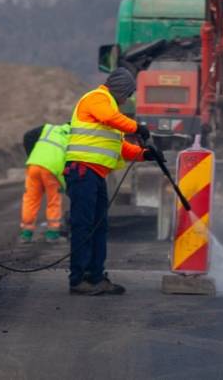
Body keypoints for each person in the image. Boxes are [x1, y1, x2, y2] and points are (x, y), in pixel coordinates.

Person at [64, 67, 157, 296]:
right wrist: (137, 127)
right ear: (120, 90)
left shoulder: (111, 109)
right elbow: (110, 118)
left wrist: (145, 154)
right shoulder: (97, 98)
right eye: (128, 93)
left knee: (99, 227)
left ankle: (96, 276)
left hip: (96, 175)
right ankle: (79, 279)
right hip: (83, 172)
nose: (128, 99)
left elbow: (119, 148)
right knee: (83, 225)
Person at [19, 123, 70, 244]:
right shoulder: (74, 137)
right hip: (52, 170)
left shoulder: (49, 129)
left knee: (30, 199)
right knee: (53, 201)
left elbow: (28, 136)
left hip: (34, 165)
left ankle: (26, 234)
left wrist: (31, 155)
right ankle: (52, 234)